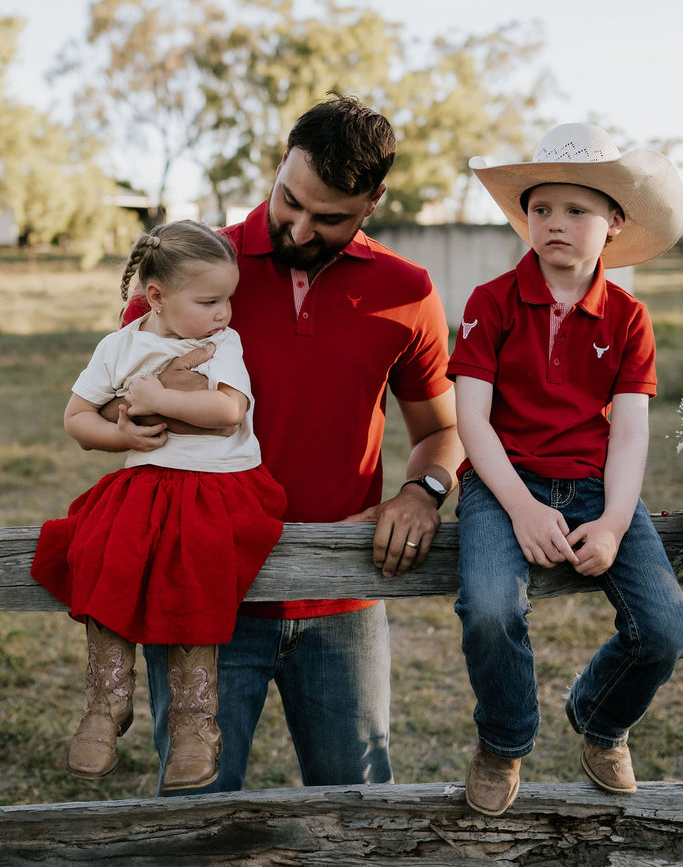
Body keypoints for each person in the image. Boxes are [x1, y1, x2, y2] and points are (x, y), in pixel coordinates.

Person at [119, 93, 462, 793]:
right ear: (281, 162)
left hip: (344, 593)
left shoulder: (407, 291)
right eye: (289, 200)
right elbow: (122, 416)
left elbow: (441, 430)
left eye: (328, 218)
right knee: (195, 812)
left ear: (373, 202)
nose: (300, 229)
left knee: (357, 810)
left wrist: (421, 492)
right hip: (202, 592)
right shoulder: (185, 273)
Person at [448, 122, 683, 816]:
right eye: (541, 208)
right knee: (490, 607)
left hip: (594, 484)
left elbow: (630, 430)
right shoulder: (490, 301)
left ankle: (601, 718)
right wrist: (521, 507)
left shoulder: (629, 317)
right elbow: (472, 420)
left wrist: (612, 522)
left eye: (576, 209)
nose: (554, 222)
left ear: (614, 223)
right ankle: (503, 740)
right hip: (502, 481)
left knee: (665, 625)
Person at [31, 220, 286, 792]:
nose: (224, 313)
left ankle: (195, 724)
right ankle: (106, 700)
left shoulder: (220, 345)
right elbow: (77, 418)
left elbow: (229, 413)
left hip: (220, 483)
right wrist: (121, 436)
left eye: (228, 300)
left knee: (194, 559)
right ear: (157, 296)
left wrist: (157, 397)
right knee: (100, 545)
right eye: (209, 302)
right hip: (151, 479)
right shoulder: (118, 347)